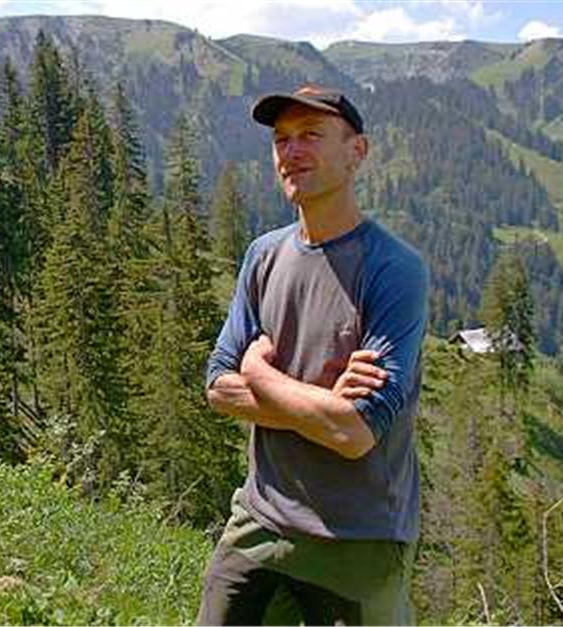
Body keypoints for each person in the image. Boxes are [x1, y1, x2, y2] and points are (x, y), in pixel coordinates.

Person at [198, 85, 429, 625]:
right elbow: (216, 385)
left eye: (310, 136)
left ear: (357, 152)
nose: (291, 151)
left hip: (359, 536)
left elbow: (354, 434)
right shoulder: (264, 255)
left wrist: (258, 372)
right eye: (281, 139)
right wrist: (322, 405)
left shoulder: (394, 268)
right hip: (262, 519)